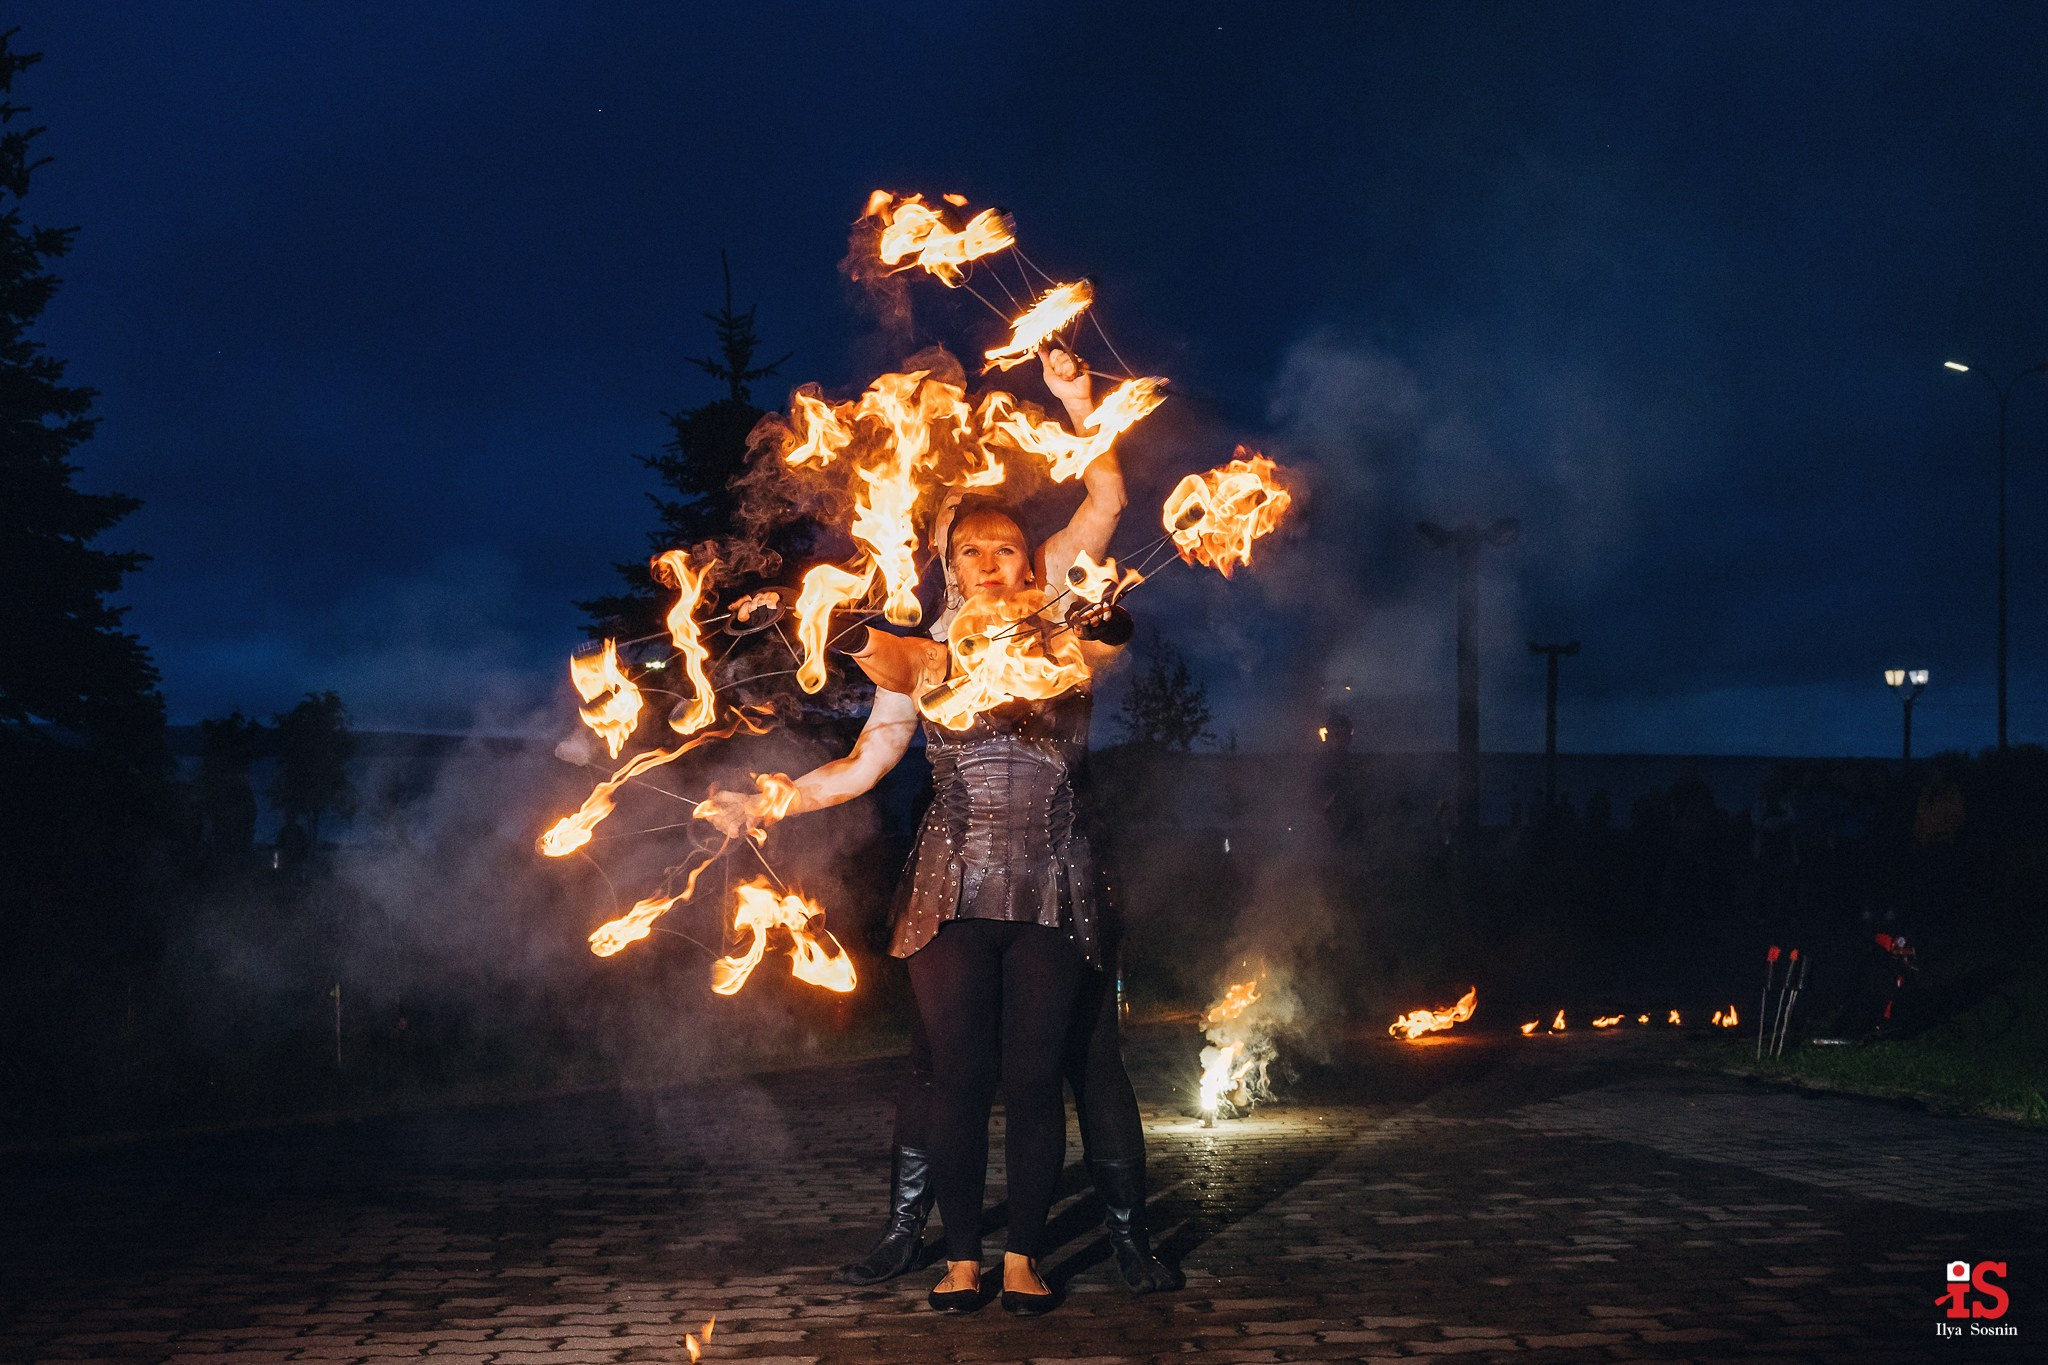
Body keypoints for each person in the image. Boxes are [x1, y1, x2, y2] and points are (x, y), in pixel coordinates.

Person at [703, 347, 1175, 1314]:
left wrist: (1083, 406)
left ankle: (1024, 1262)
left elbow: (1109, 501)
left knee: (1040, 1075)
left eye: (1008, 548)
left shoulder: (1065, 637)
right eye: (971, 550)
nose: (992, 561)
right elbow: (863, 764)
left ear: (1032, 561)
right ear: (948, 568)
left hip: (1053, 880)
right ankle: (960, 1257)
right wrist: (769, 800)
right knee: (955, 1074)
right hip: (947, 890)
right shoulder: (919, 660)